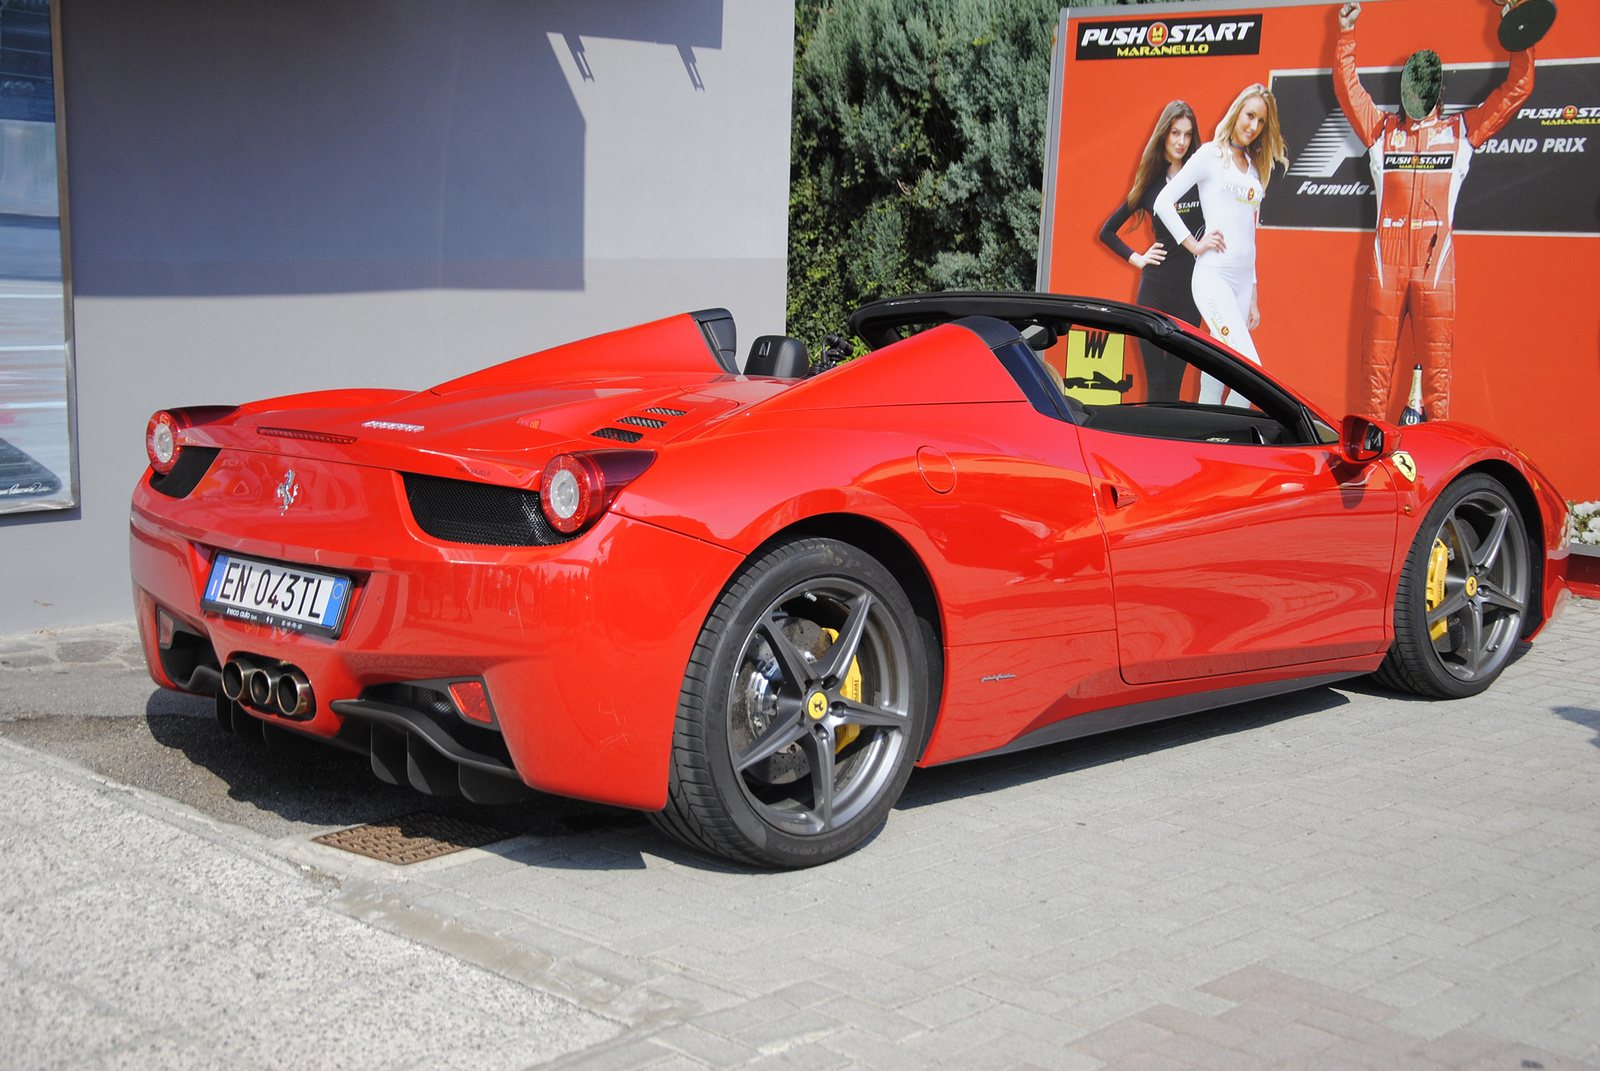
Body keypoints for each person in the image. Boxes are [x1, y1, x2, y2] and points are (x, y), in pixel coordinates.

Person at [1335, 1, 1535, 422]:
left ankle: (1437, 469)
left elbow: (1517, 89)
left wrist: (1516, 31)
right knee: (1374, 376)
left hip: (1436, 265)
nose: (1416, 91)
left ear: (1439, 90)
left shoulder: (1461, 132)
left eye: (1425, 83)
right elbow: (1347, 87)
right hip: (1386, 265)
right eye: (1411, 80)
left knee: (1436, 385)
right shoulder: (1381, 131)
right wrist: (1346, 34)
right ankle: (1370, 468)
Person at [1155, 83, 1288, 405]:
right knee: (1249, 370)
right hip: (1214, 277)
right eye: (1250, 116)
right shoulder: (1211, 155)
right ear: (1237, 111)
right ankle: (1227, 439)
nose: (1253, 126)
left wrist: (1253, 293)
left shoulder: (1254, 167)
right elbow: (1163, 202)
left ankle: (1209, 437)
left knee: (1220, 367)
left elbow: (1248, 231)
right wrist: (1193, 244)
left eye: (1260, 122)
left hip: (1243, 283)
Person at [1099, 101, 1205, 402]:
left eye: (1187, 134)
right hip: (1154, 292)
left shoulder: (1201, 180)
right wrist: (1139, 259)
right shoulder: (1150, 184)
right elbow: (1107, 231)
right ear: (1164, 135)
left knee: (1174, 383)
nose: (1181, 141)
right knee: (1156, 384)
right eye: (1175, 133)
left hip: (1189, 293)